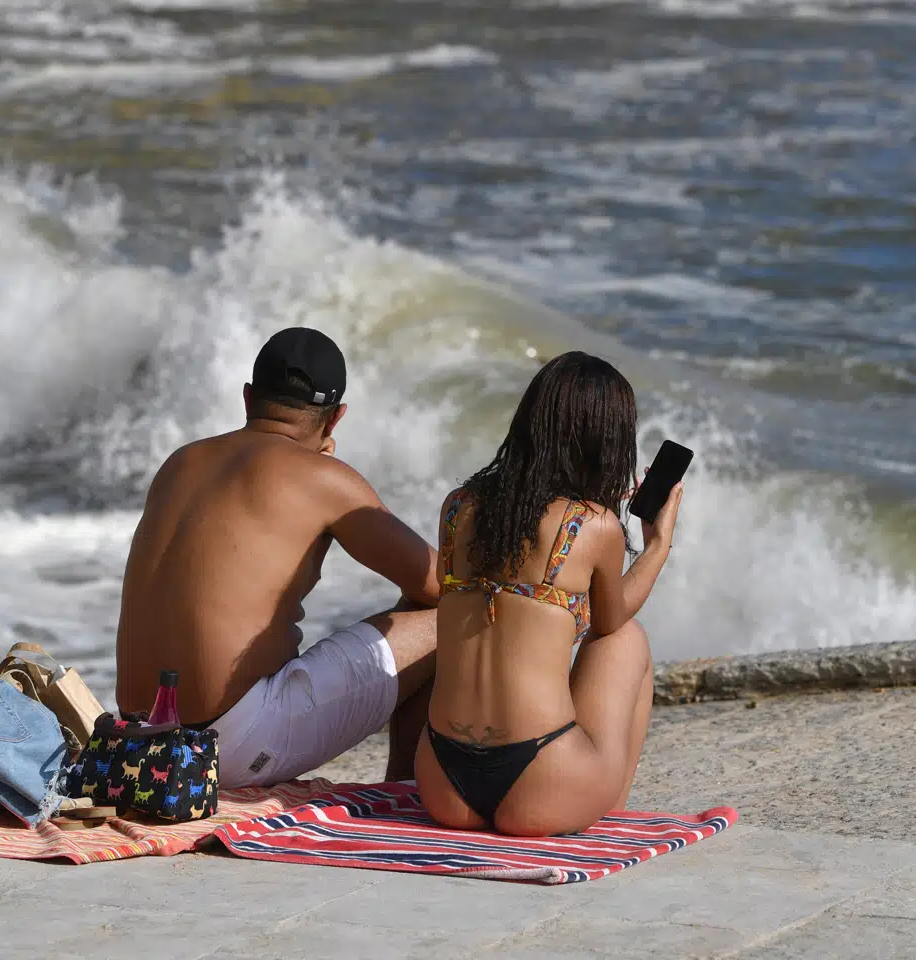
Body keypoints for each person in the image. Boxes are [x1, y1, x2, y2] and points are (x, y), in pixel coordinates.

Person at [115, 327, 439, 788]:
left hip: (138, 745)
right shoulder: (324, 477)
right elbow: (444, 584)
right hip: (222, 751)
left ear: (248, 399)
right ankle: (404, 792)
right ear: (336, 418)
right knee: (459, 617)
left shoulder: (180, 462)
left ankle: (402, 787)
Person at [414, 351, 683, 837]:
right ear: (607, 442)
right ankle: (605, 806)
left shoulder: (457, 507)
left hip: (442, 782)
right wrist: (657, 546)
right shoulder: (593, 525)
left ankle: (569, 794)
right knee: (626, 639)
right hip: (541, 784)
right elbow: (609, 621)